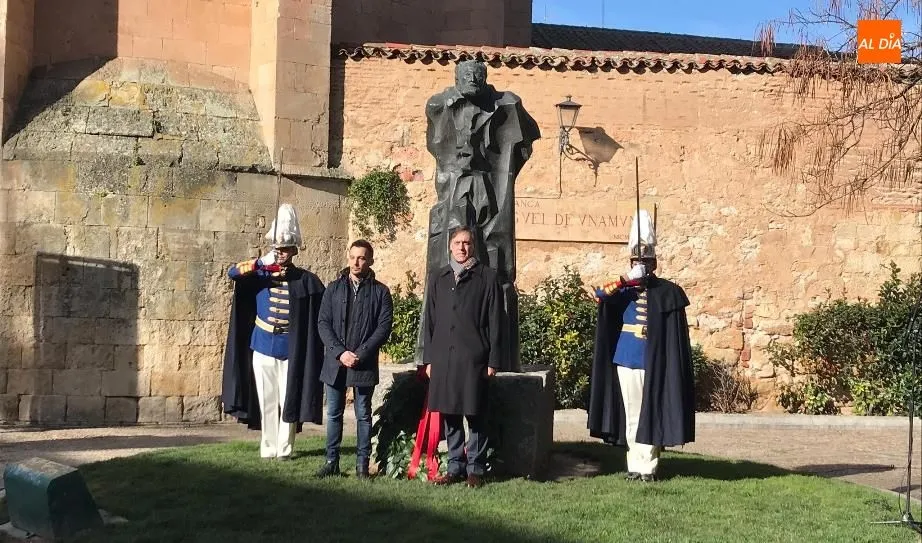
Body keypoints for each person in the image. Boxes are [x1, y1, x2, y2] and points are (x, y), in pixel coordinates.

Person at [415, 59, 540, 371]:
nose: (471, 78)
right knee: (445, 261)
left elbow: (522, 146)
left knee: (495, 259)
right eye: (465, 74)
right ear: (456, 78)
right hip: (455, 186)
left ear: (485, 78)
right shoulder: (441, 104)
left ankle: (499, 353)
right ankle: (431, 351)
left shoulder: (506, 105)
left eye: (477, 74)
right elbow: (437, 139)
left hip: (488, 185)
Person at [587, 210, 695, 482]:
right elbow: (600, 295)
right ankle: (635, 465)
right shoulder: (623, 290)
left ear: (655, 263)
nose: (642, 264)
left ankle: (649, 466)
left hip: (656, 359)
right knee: (634, 413)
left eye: (646, 260)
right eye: (637, 260)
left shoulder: (668, 291)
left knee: (652, 411)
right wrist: (626, 279)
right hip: (628, 357)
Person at [221, 203, 326, 460]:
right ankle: (268, 448)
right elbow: (233, 272)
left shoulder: (305, 279)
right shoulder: (259, 274)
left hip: (290, 347)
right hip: (262, 343)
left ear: (294, 250)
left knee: (287, 399)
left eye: (285, 249)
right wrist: (260, 263)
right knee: (267, 400)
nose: (281, 253)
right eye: (277, 249)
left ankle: (285, 449)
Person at [420, 226, 501, 488]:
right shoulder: (439, 277)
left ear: (473, 246)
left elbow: (495, 321)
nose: (462, 248)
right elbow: (430, 320)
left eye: (466, 243)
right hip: (444, 357)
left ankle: (475, 469)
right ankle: (455, 466)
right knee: (450, 413)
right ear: (450, 246)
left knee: (474, 414)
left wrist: (493, 361)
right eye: (457, 243)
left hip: (474, 357)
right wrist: (429, 359)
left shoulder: (487, 277)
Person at [315, 240, 393, 479]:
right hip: (336, 361)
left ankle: (362, 465)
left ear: (370, 261)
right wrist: (340, 352)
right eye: (353, 257)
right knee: (333, 413)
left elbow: (383, 328)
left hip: (363, 362)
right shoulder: (333, 289)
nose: (356, 262)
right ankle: (331, 462)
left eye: (361, 258)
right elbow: (323, 323)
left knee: (363, 414)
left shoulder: (381, 292)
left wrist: (361, 353)